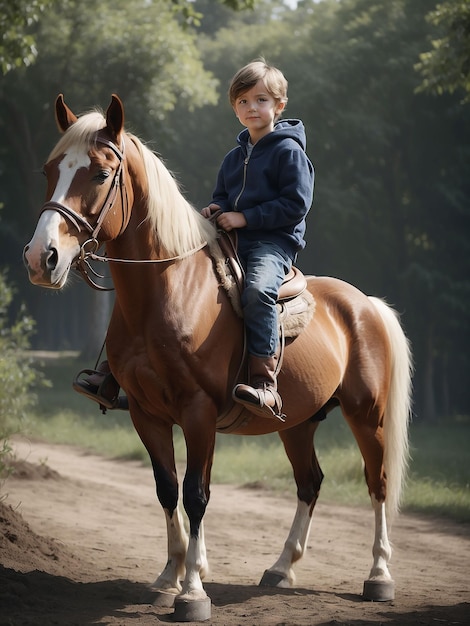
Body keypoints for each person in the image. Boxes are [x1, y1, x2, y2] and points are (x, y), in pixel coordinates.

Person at [201, 59, 314, 422]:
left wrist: (246, 217)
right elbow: (223, 195)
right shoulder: (233, 159)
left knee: (257, 290)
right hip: (232, 238)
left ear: (279, 106)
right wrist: (216, 209)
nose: (252, 107)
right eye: (243, 101)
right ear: (235, 108)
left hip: (272, 242)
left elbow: (295, 204)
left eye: (261, 100)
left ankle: (265, 384)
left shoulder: (289, 152)